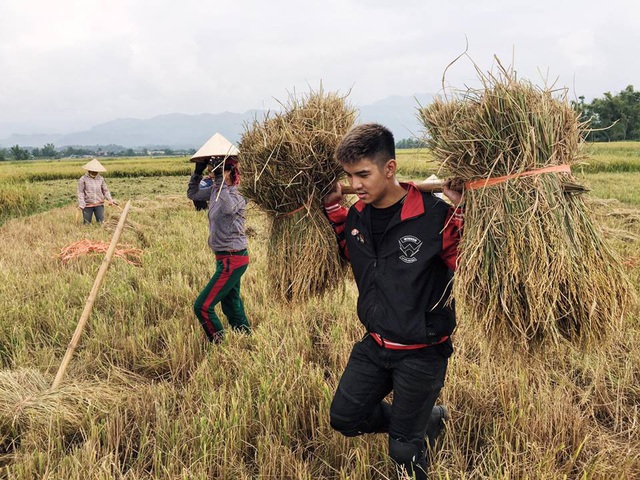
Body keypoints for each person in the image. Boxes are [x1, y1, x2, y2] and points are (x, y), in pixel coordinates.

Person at [322, 123, 463, 480]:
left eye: (364, 174)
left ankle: (413, 430)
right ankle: (425, 419)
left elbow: (469, 263)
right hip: (376, 343)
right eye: (350, 176)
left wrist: (463, 212)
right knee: (344, 418)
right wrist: (336, 211)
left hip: (422, 350)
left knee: (403, 448)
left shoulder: (435, 216)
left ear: (390, 168)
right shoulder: (357, 215)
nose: (356, 185)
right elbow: (349, 250)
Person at [186, 156, 251, 343]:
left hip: (234, 258)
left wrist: (220, 179)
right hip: (223, 257)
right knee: (231, 303)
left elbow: (229, 208)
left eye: (214, 170)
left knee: (203, 307)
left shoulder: (239, 194)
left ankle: (220, 345)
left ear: (228, 172)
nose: (211, 174)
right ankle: (245, 339)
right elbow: (193, 195)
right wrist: (197, 173)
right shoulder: (216, 190)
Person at [77, 158, 117, 224]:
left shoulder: (100, 179)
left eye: (96, 171)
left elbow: (105, 190)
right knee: (87, 223)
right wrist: (81, 204)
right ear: (89, 170)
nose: (95, 173)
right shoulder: (83, 179)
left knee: (101, 223)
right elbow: (80, 192)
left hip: (99, 203)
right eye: (93, 171)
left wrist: (110, 200)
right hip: (87, 205)